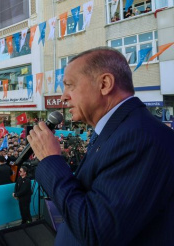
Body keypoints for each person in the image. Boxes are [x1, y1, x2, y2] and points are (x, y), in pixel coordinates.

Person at [28, 47, 174, 245]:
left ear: (105, 84)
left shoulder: (139, 138)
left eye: (70, 85)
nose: (63, 97)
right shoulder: (118, 130)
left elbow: (95, 230)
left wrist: (50, 160)